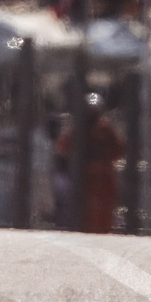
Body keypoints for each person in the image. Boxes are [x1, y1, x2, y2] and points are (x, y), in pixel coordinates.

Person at [56, 93, 126, 234]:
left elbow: (118, 150)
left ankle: (101, 232)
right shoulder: (78, 130)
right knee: (82, 209)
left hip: (102, 177)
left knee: (103, 210)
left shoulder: (105, 130)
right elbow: (63, 146)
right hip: (84, 177)